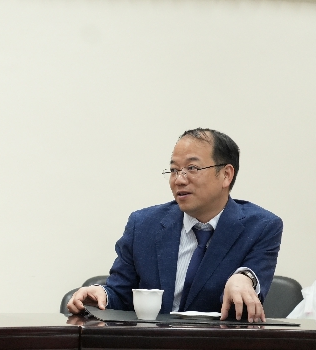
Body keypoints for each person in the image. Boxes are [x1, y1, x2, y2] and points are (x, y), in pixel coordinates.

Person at [67, 129, 282, 323]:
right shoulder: (143, 225)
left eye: (192, 168)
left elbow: (253, 279)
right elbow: (121, 293)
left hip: (218, 348)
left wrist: (244, 279)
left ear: (226, 175)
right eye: (174, 170)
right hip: (153, 347)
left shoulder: (261, 227)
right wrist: (101, 295)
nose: (179, 180)